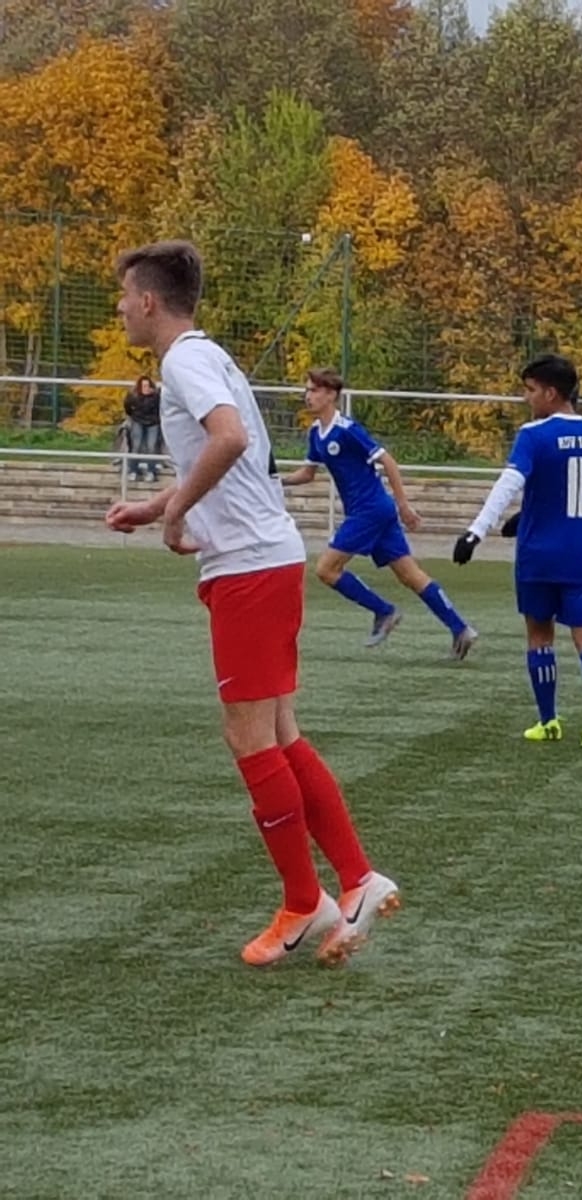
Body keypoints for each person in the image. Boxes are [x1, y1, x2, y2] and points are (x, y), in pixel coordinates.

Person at [103, 240, 399, 966]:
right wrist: (156, 505)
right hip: (263, 558)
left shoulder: (184, 362)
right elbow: (231, 458)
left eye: (124, 297)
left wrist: (178, 515)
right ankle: (354, 880)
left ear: (148, 300)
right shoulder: (207, 357)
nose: (120, 309)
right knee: (279, 731)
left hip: (250, 567)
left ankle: (307, 899)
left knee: (249, 738)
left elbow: (230, 440)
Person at [452, 355, 582, 749]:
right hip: (581, 551)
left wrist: (476, 532)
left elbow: (507, 484)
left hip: (538, 553)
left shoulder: (533, 435)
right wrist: (528, 513)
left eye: (530, 390)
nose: (526, 398)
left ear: (551, 393)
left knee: (540, 637)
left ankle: (548, 721)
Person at [280, 368, 477, 660]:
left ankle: (384, 611)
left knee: (326, 569)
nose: (308, 396)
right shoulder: (316, 433)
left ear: (331, 395)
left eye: (314, 390)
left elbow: (389, 462)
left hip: (370, 510)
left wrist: (404, 505)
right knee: (410, 575)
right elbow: (308, 474)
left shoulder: (347, 429)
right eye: (307, 390)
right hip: (373, 511)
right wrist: (277, 481)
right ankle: (461, 629)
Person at [122, 375, 163, 482]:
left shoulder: (156, 396)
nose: (146, 388)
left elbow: (161, 408)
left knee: (151, 447)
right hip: (137, 421)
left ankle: (151, 471)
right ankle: (133, 471)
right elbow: (127, 406)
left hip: (153, 422)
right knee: (136, 445)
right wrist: (133, 415)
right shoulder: (134, 395)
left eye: (147, 386)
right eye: (143, 386)